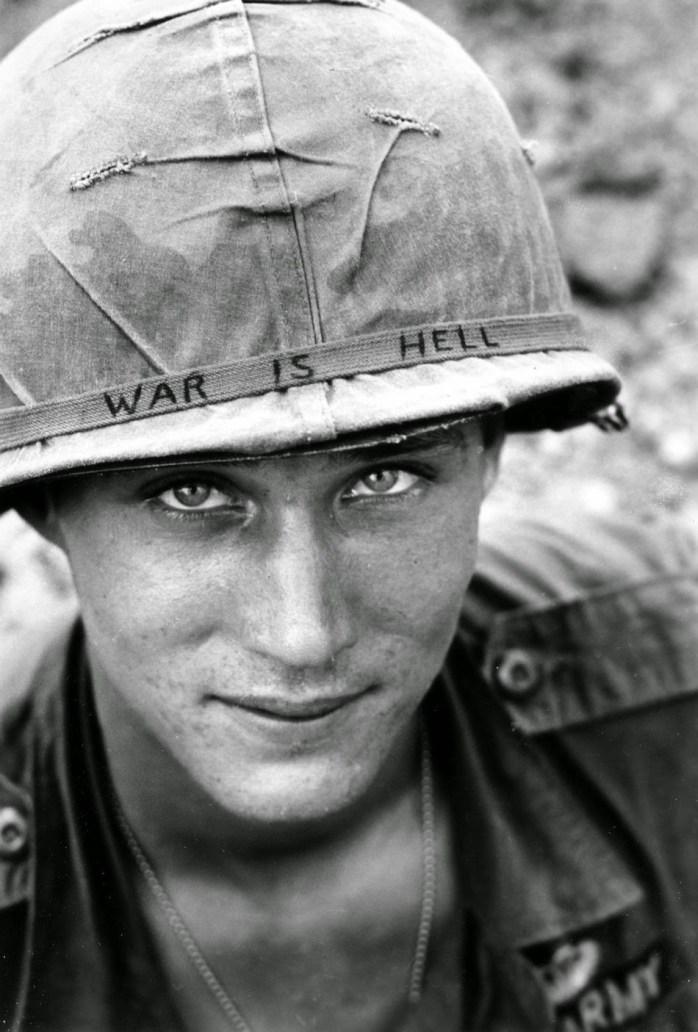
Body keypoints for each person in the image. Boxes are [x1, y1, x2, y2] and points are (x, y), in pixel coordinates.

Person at [0, 1, 697, 1030]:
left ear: (489, 453)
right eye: (192, 493)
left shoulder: (667, 696)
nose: (303, 633)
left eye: (383, 481)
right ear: (45, 507)